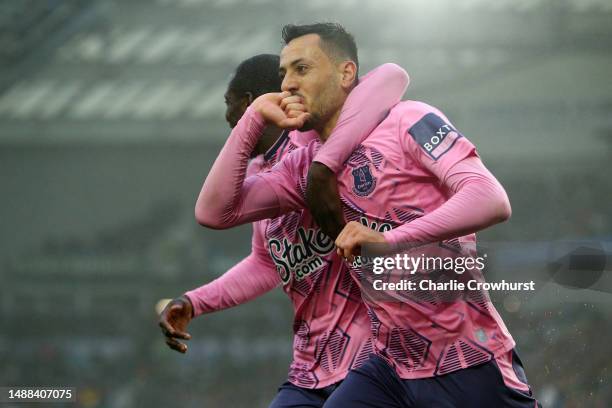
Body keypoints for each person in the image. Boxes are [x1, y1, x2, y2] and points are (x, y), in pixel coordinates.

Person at [195, 23, 541, 407]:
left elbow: (490, 198)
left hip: (467, 358)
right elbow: (214, 212)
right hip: (389, 368)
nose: (288, 84)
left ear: (346, 74)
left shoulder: (409, 120)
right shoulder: (303, 166)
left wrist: (389, 241)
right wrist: (253, 117)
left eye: (302, 69)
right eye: (283, 73)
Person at [159, 53, 409, 407]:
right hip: (310, 366)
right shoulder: (258, 179)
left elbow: (392, 75)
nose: (227, 117)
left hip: (372, 357)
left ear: (249, 102)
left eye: (229, 104)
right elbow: (265, 264)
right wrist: (194, 302)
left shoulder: (312, 140)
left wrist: (323, 167)